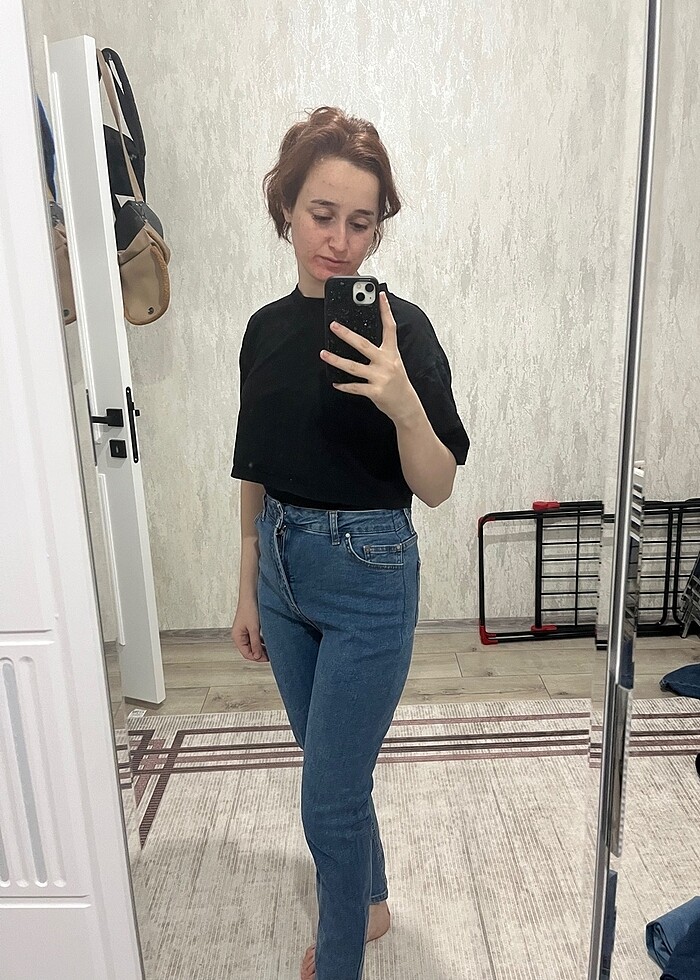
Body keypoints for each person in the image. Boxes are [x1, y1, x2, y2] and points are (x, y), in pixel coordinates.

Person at [231, 106, 469, 980]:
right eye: (321, 214)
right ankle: (369, 904)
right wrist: (248, 582)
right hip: (281, 570)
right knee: (332, 767)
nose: (339, 242)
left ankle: (341, 960)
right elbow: (253, 466)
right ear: (286, 209)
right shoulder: (263, 330)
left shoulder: (404, 332)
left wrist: (402, 400)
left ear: (377, 229)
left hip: (370, 573)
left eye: (360, 223)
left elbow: (437, 484)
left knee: (326, 798)